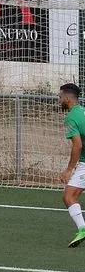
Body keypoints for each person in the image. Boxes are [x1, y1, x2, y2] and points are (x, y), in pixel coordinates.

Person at [59, 83, 85, 247]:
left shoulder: (71, 117)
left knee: (69, 197)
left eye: (60, 97)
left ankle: (83, 228)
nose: (59, 99)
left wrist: (69, 170)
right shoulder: (83, 111)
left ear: (67, 98)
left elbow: (77, 145)